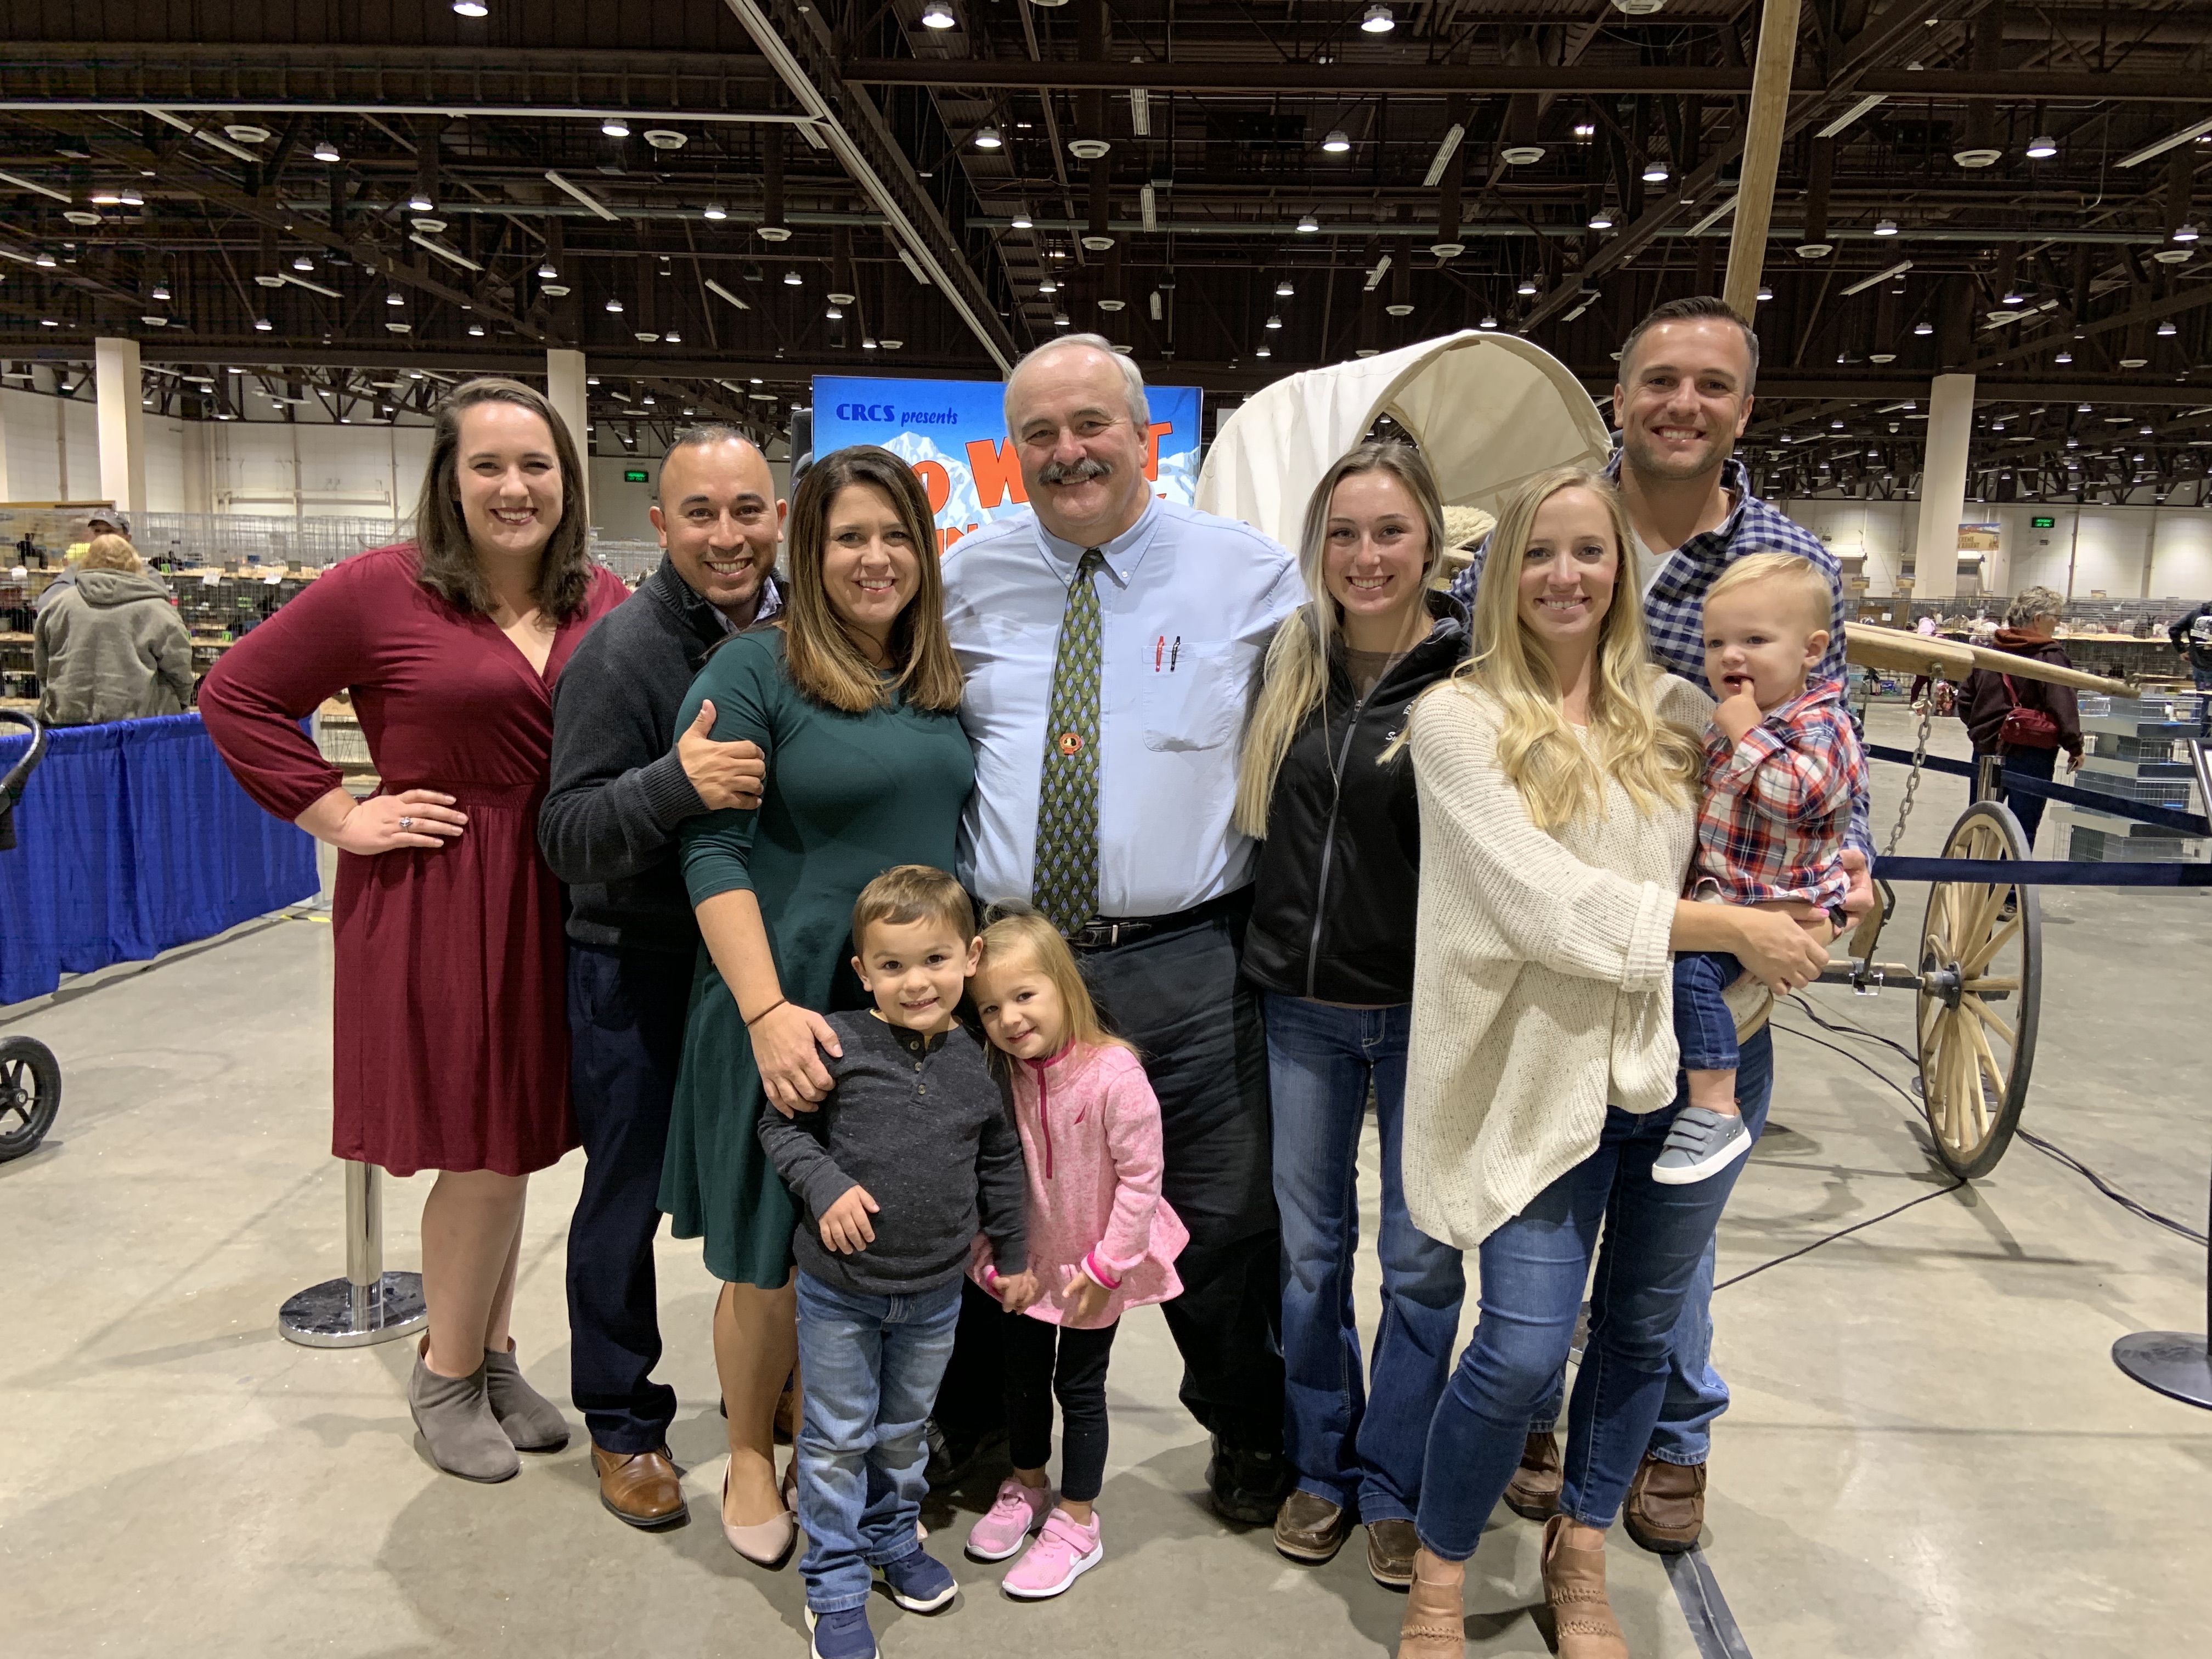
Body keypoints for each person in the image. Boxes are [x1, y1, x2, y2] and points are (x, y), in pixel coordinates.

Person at [1447, 294, 1867, 1551]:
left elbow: (1827, 751)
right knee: (1540, 1195)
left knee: (1673, 1215)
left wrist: (1840, 879)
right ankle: (1537, 1403)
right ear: (1617, 394)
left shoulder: (1796, 566)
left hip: (1722, 942)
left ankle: (1673, 1435)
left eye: (1714, 386)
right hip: (1564, 945)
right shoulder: (1537, 531)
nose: (1685, 404)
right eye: (1661, 380)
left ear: (1744, 407)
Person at [1393, 468, 1829, 1659]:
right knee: (1523, 1343)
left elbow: (1776, 829)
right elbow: (1546, 905)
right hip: (1542, 1073)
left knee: (1640, 1332)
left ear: (1621, 570)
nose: (1566, 576)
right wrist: (1732, 929)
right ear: (1502, 579)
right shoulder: (1457, 719)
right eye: (1540, 554)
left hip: (1695, 1065)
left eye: (1590, 551)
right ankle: (1441, 1568)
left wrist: (1830, 894)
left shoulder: (1681, 711)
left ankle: (1580, 1545)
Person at [200, 378, 627, 1481]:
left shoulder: (602, 599)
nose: (513, 486)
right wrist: (342, 813)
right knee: (479, 1151)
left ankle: (489, 1355)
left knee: (521, 1139)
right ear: (449, 480)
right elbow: (235, 694)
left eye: (535, 465)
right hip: (440, 894)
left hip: (560, 894)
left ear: (566, 484)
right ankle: (443, 1372)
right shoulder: (378, 591)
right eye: (487, 465)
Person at [939, 334, 1302, 1523]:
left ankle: (1250, 1430)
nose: (1066, 452)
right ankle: (995, 1442)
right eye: (1039, 433)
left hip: (1185, 961)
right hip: (1007, 963)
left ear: (1145, 436)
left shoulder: (1249, 577)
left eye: (1090, 425)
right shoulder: (965, 578)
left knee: (1222, 1216)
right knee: (1002, 1214)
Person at [660, 445, 973, 1568]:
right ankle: (750, 1447)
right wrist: (764, 1015)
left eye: (895, 536)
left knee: (879, 1253)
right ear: (810, 549)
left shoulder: (936, 684)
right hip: (781, 1006)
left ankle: (827, 1430)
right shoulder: (753, 672)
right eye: (849, 537)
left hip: (906, 1022)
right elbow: (711, 856)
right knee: (769, 1257)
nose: (875, 557)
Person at [1232, 441, 1470, 1585]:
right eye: (1344, 533)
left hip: (1431, 1013)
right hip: (1303, 1010)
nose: (1366, 556)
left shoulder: (1476, 675)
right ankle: (1322, 1466)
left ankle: (1394, 1477)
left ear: (1429, 539)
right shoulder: (1287, 665)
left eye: (1388, 532)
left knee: (1422, 1261)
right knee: (1312, 1256)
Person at [537, 426, 781, 1528]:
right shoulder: (619, 655)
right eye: (701, 513)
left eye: (747, 510)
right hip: (634, 968)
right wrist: (673, 786)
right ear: (660, 522)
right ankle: (624, 1422)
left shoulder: (802, 628)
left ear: (778, 512)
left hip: (760, 970)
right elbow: (569, 835)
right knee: (624, 1198)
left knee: (776, 1184)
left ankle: (769, 1397)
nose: (727, 536)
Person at [758, 866, 1030, 1659]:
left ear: (972, 956)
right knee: (838, 1437)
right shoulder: (839, 1043)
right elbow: (780, 1130)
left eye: (936, 960)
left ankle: (888, 1540)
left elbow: (1002, 1164)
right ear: (861, 970)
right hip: (841, 1295)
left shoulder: (982, 1065)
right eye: (893, 965)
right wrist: (827, 1185)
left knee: (905, 1432)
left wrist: (1012, 1253)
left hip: (938, 1293)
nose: (917, 983)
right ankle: (835, 1581)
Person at [962, 906, 1189, 1601]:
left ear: (1065, 986)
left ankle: (1078, 1520)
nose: (1010, 1018)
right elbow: (988, 1172)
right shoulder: (997, 1076)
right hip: (1026, 1266)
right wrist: (1000, 1258)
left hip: (1095, 1266)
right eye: (991, 1007)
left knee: (1080, 1390)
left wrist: (1106, 1268)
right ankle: (1028, 1486)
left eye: (1024, 996)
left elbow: (1143, 1180)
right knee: (1022, 1382)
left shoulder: (1115, 1074)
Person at [1662, 553, 1865, 1187]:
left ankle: (1715, 1104)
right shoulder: (1737, 723)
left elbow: (1802, 798)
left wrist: (1748, 735)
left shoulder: (1820, 725)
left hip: (1779, 899)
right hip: (1732, 894)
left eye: (1755, 640)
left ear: (1811, 650)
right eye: (1717, 642)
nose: (1732, 657)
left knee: (1694, 979)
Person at [1957, 586, 2082, 851]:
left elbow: (1965, 700)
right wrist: (2075, 746)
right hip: (2032, 754)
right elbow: (2063, 703)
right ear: (2039, 618)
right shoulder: (2049, 656)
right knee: (2021, 831)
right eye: (2056, 617)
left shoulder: (1991, 652)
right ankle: (2011, 892)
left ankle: (1973, 882)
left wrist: (1984, 730)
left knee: (1981, 822)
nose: (2058, 624)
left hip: (1986, 750)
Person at [32, 533, 194, 726]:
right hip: (139, 725)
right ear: (134, 563)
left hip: (68, 721)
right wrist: (182, 703)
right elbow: (180, 667)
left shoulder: (59, 605)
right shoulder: (158, 610)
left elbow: (43, 666)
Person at [34, 509, 131, 616]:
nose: (102, 538)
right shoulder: (78, 569)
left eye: (109, 532)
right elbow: (47, 603)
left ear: (127, 539)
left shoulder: (141, 570)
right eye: (97, 531)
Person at [2170, 597, 2212, 736]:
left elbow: (2174, 630)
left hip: (2198, 664)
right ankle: (2203, 738)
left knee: (2202, 700)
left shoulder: (2195, 614)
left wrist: (2182, 650)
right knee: (2207, 701)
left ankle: (2197, 739)